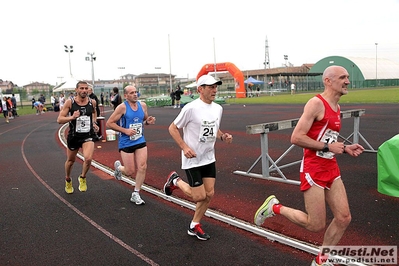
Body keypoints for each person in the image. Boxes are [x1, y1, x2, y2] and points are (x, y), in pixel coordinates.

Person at [254, 66, 364, 266]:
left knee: (344, 217)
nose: (347, 81)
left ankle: (322, 261)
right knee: (315, 224)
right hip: (313, 169)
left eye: (347, 77)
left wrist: (344, 147)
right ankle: (274, 207)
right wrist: (327, 146)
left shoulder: (337, 107)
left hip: (330, 167)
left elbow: (326, 137)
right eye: (342, 77)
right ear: (328, 81)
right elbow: (296, 137)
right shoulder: (316, 103)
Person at [163, 75, 233, 240]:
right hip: (192, 158)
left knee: (209, 194)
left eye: (215, 87)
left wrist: (223, 137)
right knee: (198, 196)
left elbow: (215, 129)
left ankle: (194, 225)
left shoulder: (218, 108)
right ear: (200, 89)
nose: (214, 90)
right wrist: (184, 147)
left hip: (208, 157)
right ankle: (175, 181)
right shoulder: (191, 108)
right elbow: (173, 128)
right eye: (210, 87)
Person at [106, 85, 156, 205]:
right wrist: (125, 131)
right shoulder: (122, 108)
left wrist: (148, 122)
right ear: (126, 95)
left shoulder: (142, 105)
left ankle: (136, 193)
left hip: (139, 139)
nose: (135, 94)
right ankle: (118, 168)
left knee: (142, 166)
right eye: (132, 92)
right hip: (126, 141)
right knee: (129, 171)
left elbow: (143, 120)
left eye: (136, 92)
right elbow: (109, 123)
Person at [57, 81, 99, 194]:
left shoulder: (92, 102)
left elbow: (94, 113)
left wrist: (94, 123)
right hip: (74, 136)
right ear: (77, 90)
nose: (84, 90)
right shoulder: (70, 103)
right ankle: (68, 179)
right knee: (71, 161)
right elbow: (59, 119)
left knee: (88, 158)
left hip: (88, 135)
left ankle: (83, 177)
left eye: (86, 88)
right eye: (82, 88)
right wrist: (72, 117)